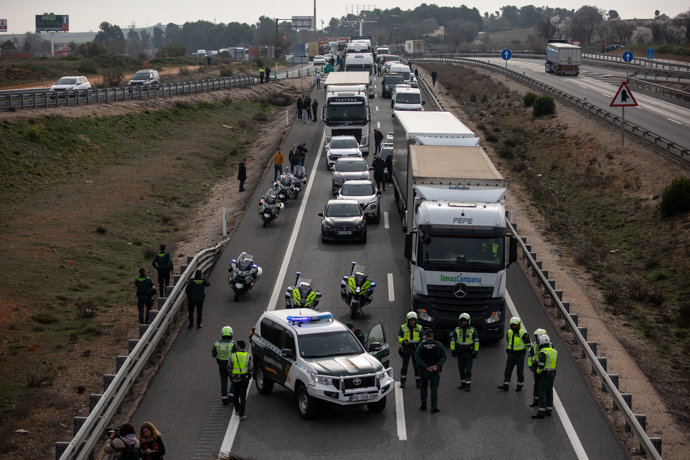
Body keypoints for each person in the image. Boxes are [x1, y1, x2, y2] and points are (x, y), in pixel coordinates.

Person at [414, 328, 447, 413]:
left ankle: (423, 406)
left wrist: (425, 367)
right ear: (432, 336)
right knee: (434, 389)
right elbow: (444, 357)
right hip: (435, 371)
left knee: (424, 388)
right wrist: (437, 365)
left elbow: (417, 358)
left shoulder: (421, 346)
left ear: (425, 336)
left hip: (425, 371)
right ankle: (434, 407)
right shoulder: (439, 345)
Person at [498, 316, 531, 392]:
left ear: (518, 325)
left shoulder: (523, 334)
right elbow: (508, 340)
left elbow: (528, 345)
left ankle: (519, 385)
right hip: (511, 354)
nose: (514, 326)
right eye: (512, 325)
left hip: (520, 355)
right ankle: (506, 385)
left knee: (519, 371)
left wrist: (523, 351)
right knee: (508, 370)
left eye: (515, 325)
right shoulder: (509, 332)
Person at [450, 313, 479, 391]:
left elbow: (476, 341)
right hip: (460, 352)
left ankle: (468, 384)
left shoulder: (473, 330)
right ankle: (463, 383)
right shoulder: (457, 329)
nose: (463, 322)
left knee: (468, 369)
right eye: (462, 321)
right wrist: (453, 350)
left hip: (469, 353)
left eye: (465, 321)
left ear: (468, 321)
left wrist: (476, 351)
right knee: (461, 368)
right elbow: (452, 340)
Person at [532, 335, 558, 419]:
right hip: (552, 373)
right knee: (549, 391)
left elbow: (541, 366)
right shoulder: (554, 351)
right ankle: (549, 410)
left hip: (545, 374)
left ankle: (541, 412)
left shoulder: (543, 352)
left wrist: (537, 372)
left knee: (542, 392)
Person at [228, 340, 253, 420]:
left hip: (235, 379)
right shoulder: (248, 356)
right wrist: (248, 377)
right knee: (243, 397)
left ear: (238, 347)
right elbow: (251, 368)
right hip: (244, 379)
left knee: (236, 395)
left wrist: (231, 375)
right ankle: (242, 415)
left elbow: (229, 367)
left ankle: (237, 409)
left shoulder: (233, 355)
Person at [212, 326, 237, 405]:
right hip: (231, 365)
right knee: (234, 379)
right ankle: (232, 395)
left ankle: (224, 399)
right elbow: (236, 354)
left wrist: (218, 358)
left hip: (221, 365)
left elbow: (213, 354)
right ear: (231, 334)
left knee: (223, 381)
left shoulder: (217, 343)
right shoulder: (233, 344)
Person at [397, 311, 423, 389]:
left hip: (416, 349)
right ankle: (403, 383)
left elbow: (423, 339)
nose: (412, 321)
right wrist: (403, 341)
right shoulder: (403, 327)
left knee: (417, 367)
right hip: (406, 349)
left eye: (414, 320)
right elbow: (399, 337)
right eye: (411, 320)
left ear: (416, 320)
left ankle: (419, 383)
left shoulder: (419, 328)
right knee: (404, 366)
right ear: (408, 320)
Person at [528, 328, 548, 407]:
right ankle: (535, 401)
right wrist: (530, 365)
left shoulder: (549, 346)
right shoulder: (535, 345)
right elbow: (530, 355)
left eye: (537, 337)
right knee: (536, 385)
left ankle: (545, 402)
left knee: (544, 386)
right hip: (536, 367)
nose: (536, 339)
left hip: (545, 369)